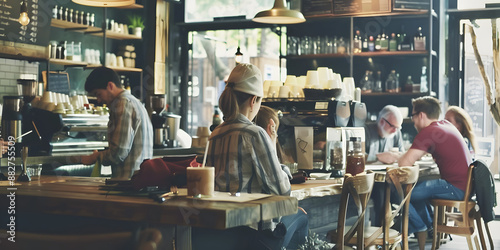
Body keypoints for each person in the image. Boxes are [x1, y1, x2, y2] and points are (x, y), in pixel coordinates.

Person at [202, 63, 299, 249]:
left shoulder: (215, 134)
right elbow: (283, 191)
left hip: (225, 234)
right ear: (253, 100)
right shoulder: (254, 134)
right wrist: (274, 152)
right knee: (301, 216)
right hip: (256, 234)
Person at [398, 96, 472, 250]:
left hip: (454, 188)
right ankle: (429, 227)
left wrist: (400, 157)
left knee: (400, 193)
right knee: (416, 193)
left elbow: (404, 164)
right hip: (466, 187)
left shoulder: (429, 131)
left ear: (421, 115)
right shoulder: (445, 125)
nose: (413, 121)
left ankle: (420, 228)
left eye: (413, 116)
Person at [79, 67, 153, 179]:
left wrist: (95, 157)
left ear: (110, 86)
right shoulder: (134, 102)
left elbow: (119, 152)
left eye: (98, 94)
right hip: (140, 180)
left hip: (129, 183)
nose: (98, 100)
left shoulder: (122, 104)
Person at [255, 105, 309, 249]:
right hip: (262, 234)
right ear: (270, 128)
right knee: (301, 216)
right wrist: (271, 145)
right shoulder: (264, 152)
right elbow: (283, 190)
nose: (277, 136)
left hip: (238, 232)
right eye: (276, 131)